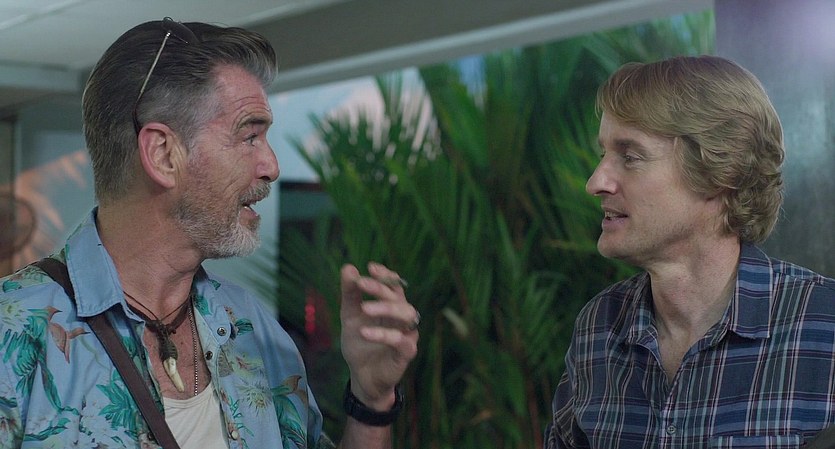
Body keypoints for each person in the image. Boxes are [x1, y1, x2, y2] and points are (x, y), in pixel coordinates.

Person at [0, 18, 419, 449]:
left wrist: (371, 400)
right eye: (250, 136)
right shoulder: (11, 332)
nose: (271, 166)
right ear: (163, 154)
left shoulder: (253, 328)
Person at [545, 55, 835, 448]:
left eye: (630, 157)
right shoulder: (598, 328)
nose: (595, 182)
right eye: (603, 156)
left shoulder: (824, 325)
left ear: (720, 171)